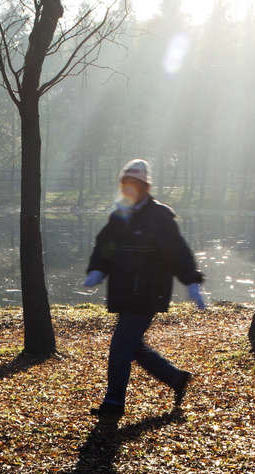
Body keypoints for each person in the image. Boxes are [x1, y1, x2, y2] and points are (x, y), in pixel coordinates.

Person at [83, 158, 206, 420]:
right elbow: (106, 245)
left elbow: (178, 252)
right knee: (133, 346)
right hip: (124, 291)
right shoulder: (120, 214)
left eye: (134, 184)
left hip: (149, 293)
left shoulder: (159, 216)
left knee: (120, 347)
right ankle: (175, 378)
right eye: (125, 183)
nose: (129, 188)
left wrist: (191, 282)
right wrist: (98, 269)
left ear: (144, 186)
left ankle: (114, 403)